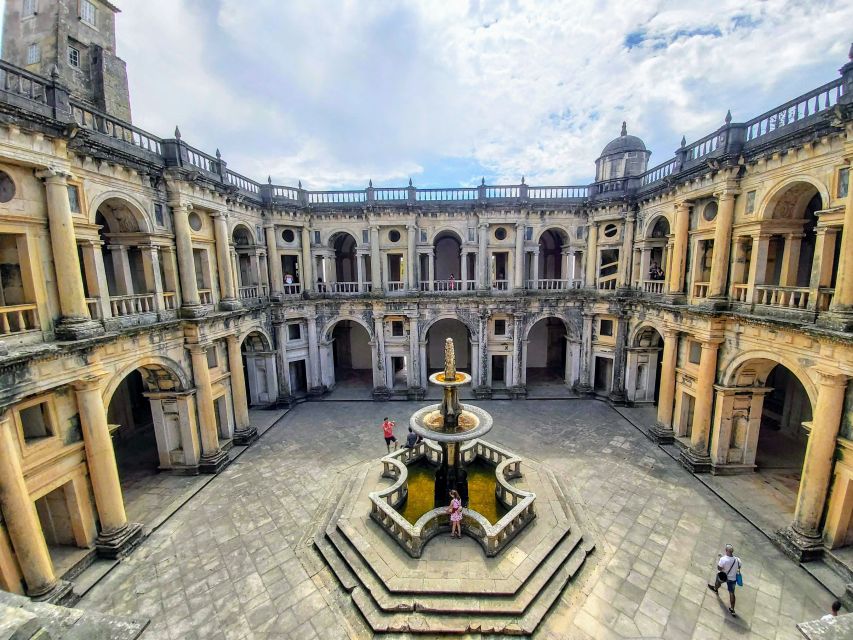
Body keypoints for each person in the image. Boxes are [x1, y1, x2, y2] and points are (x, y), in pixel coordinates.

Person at [708, 544, 742, 616]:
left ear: (726, 550)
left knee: (718, 582)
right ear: (732, 552)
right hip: (732, 579)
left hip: (724, 576)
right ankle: (732, 609)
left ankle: (715, 589)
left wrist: (722, 562)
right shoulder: (738, 560)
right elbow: (739, 567)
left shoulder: (723, 559)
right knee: (732, 593)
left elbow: (719, 568)